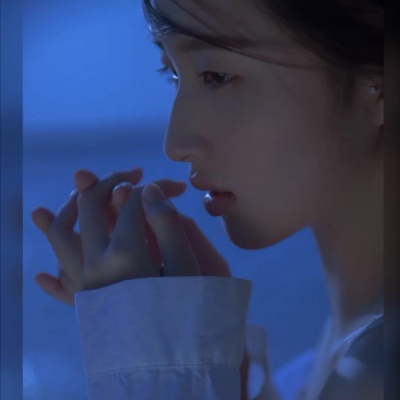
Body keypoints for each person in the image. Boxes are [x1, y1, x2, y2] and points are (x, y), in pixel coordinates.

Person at [31, 0, 384, 399]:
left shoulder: (375, 373)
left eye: (217, 76)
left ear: (380, 89)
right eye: (172, 74)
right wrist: (216, 364)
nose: (174, 145)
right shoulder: (350, 351)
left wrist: (155, 364)